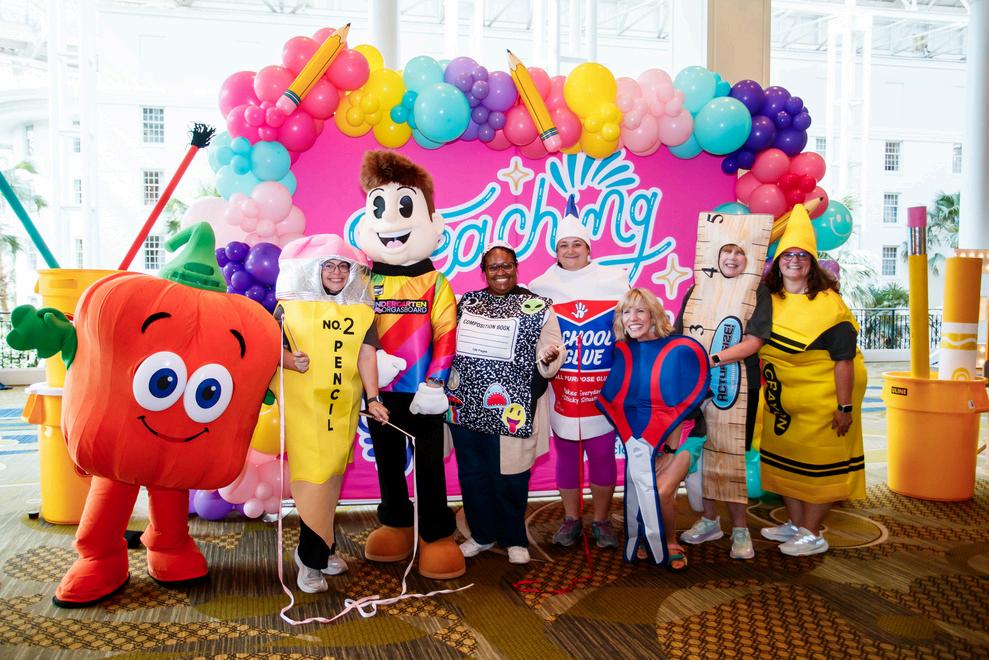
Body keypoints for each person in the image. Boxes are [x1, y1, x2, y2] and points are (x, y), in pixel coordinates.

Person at [355, 151, 465, 580]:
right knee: (387, 459)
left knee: (430, 464)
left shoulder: (435, 282)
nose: (391, 220)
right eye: (380, 207)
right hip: (379, 394)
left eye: (404, 206)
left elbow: (447, 332)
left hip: (423, 393)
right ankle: (397, 521)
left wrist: (436, 383)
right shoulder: (365, 282)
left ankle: (435, 531)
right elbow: (356, 330)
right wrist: (370, 378)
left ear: (431, 221)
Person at [274, 234, 389, 594]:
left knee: (331, 480)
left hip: (341, 411)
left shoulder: (361, 311)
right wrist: (289, 360)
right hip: (304, 413)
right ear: (314, 270)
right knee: (315, 479)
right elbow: (267, 348)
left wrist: (373, 398)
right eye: (329, 266)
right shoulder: (289, 308)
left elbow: (366, 355)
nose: (337, 272)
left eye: (343, 266)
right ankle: (310, 561)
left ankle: (324, 547)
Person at [757, 204, 867, 557]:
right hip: (782, 400)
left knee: (819, 468)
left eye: (801, 255)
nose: (794, 261)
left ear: (812, 263)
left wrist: (844, 407)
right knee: (785, 463)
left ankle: (812, 532)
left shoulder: (829, 306)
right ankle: (795, 523)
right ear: (778, 262)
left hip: (825, 399)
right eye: (787, 255)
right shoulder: (768, 299)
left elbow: (843, 361)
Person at [447, 242, 564, 565]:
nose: (501, 272)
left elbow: (554, 346)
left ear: (516, 268)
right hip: (467, 406)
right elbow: (444, 340)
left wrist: (549, 357)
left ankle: (514, 539)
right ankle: (481, 535)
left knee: (511, 477)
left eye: (506, 265)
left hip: (512, 410)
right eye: (493, 267)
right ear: (483, 272)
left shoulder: (537, 307)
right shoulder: (465, 303)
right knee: (473, 475)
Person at [529, 195, 629, 550]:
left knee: (602, 454)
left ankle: (600, 520)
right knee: (568, 456)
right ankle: (571, 519)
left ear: (588, 248)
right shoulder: (540, 287)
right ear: (556, 250)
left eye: (577, 244)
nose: (570, 250)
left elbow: (631, 328)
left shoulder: (615, 281)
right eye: (564, 245)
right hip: (563, 390)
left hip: (603, 390)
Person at [596, 288, 709, 571]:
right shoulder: (623, 351)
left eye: (640, 311)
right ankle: (646, 537)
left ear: (654, 315)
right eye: (626, 312)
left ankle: (668, 541)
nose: (632, 318)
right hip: (646, 438)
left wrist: (667, 450)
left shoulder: (678, 349)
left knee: (660, 490)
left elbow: (681, 408)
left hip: (682, 434)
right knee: (639, 485)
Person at [676, 243, 772, 560]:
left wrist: (711, 359)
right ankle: (709, 520)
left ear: (749, 257)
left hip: (740, 385)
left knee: (732, 455)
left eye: (738, 252)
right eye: (725, 251)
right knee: (704, 452)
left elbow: (754, 341)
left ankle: (740, 528)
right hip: (698, 384)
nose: (731, 257)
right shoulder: (697, 290)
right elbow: (680, 334)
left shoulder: (757, 292)